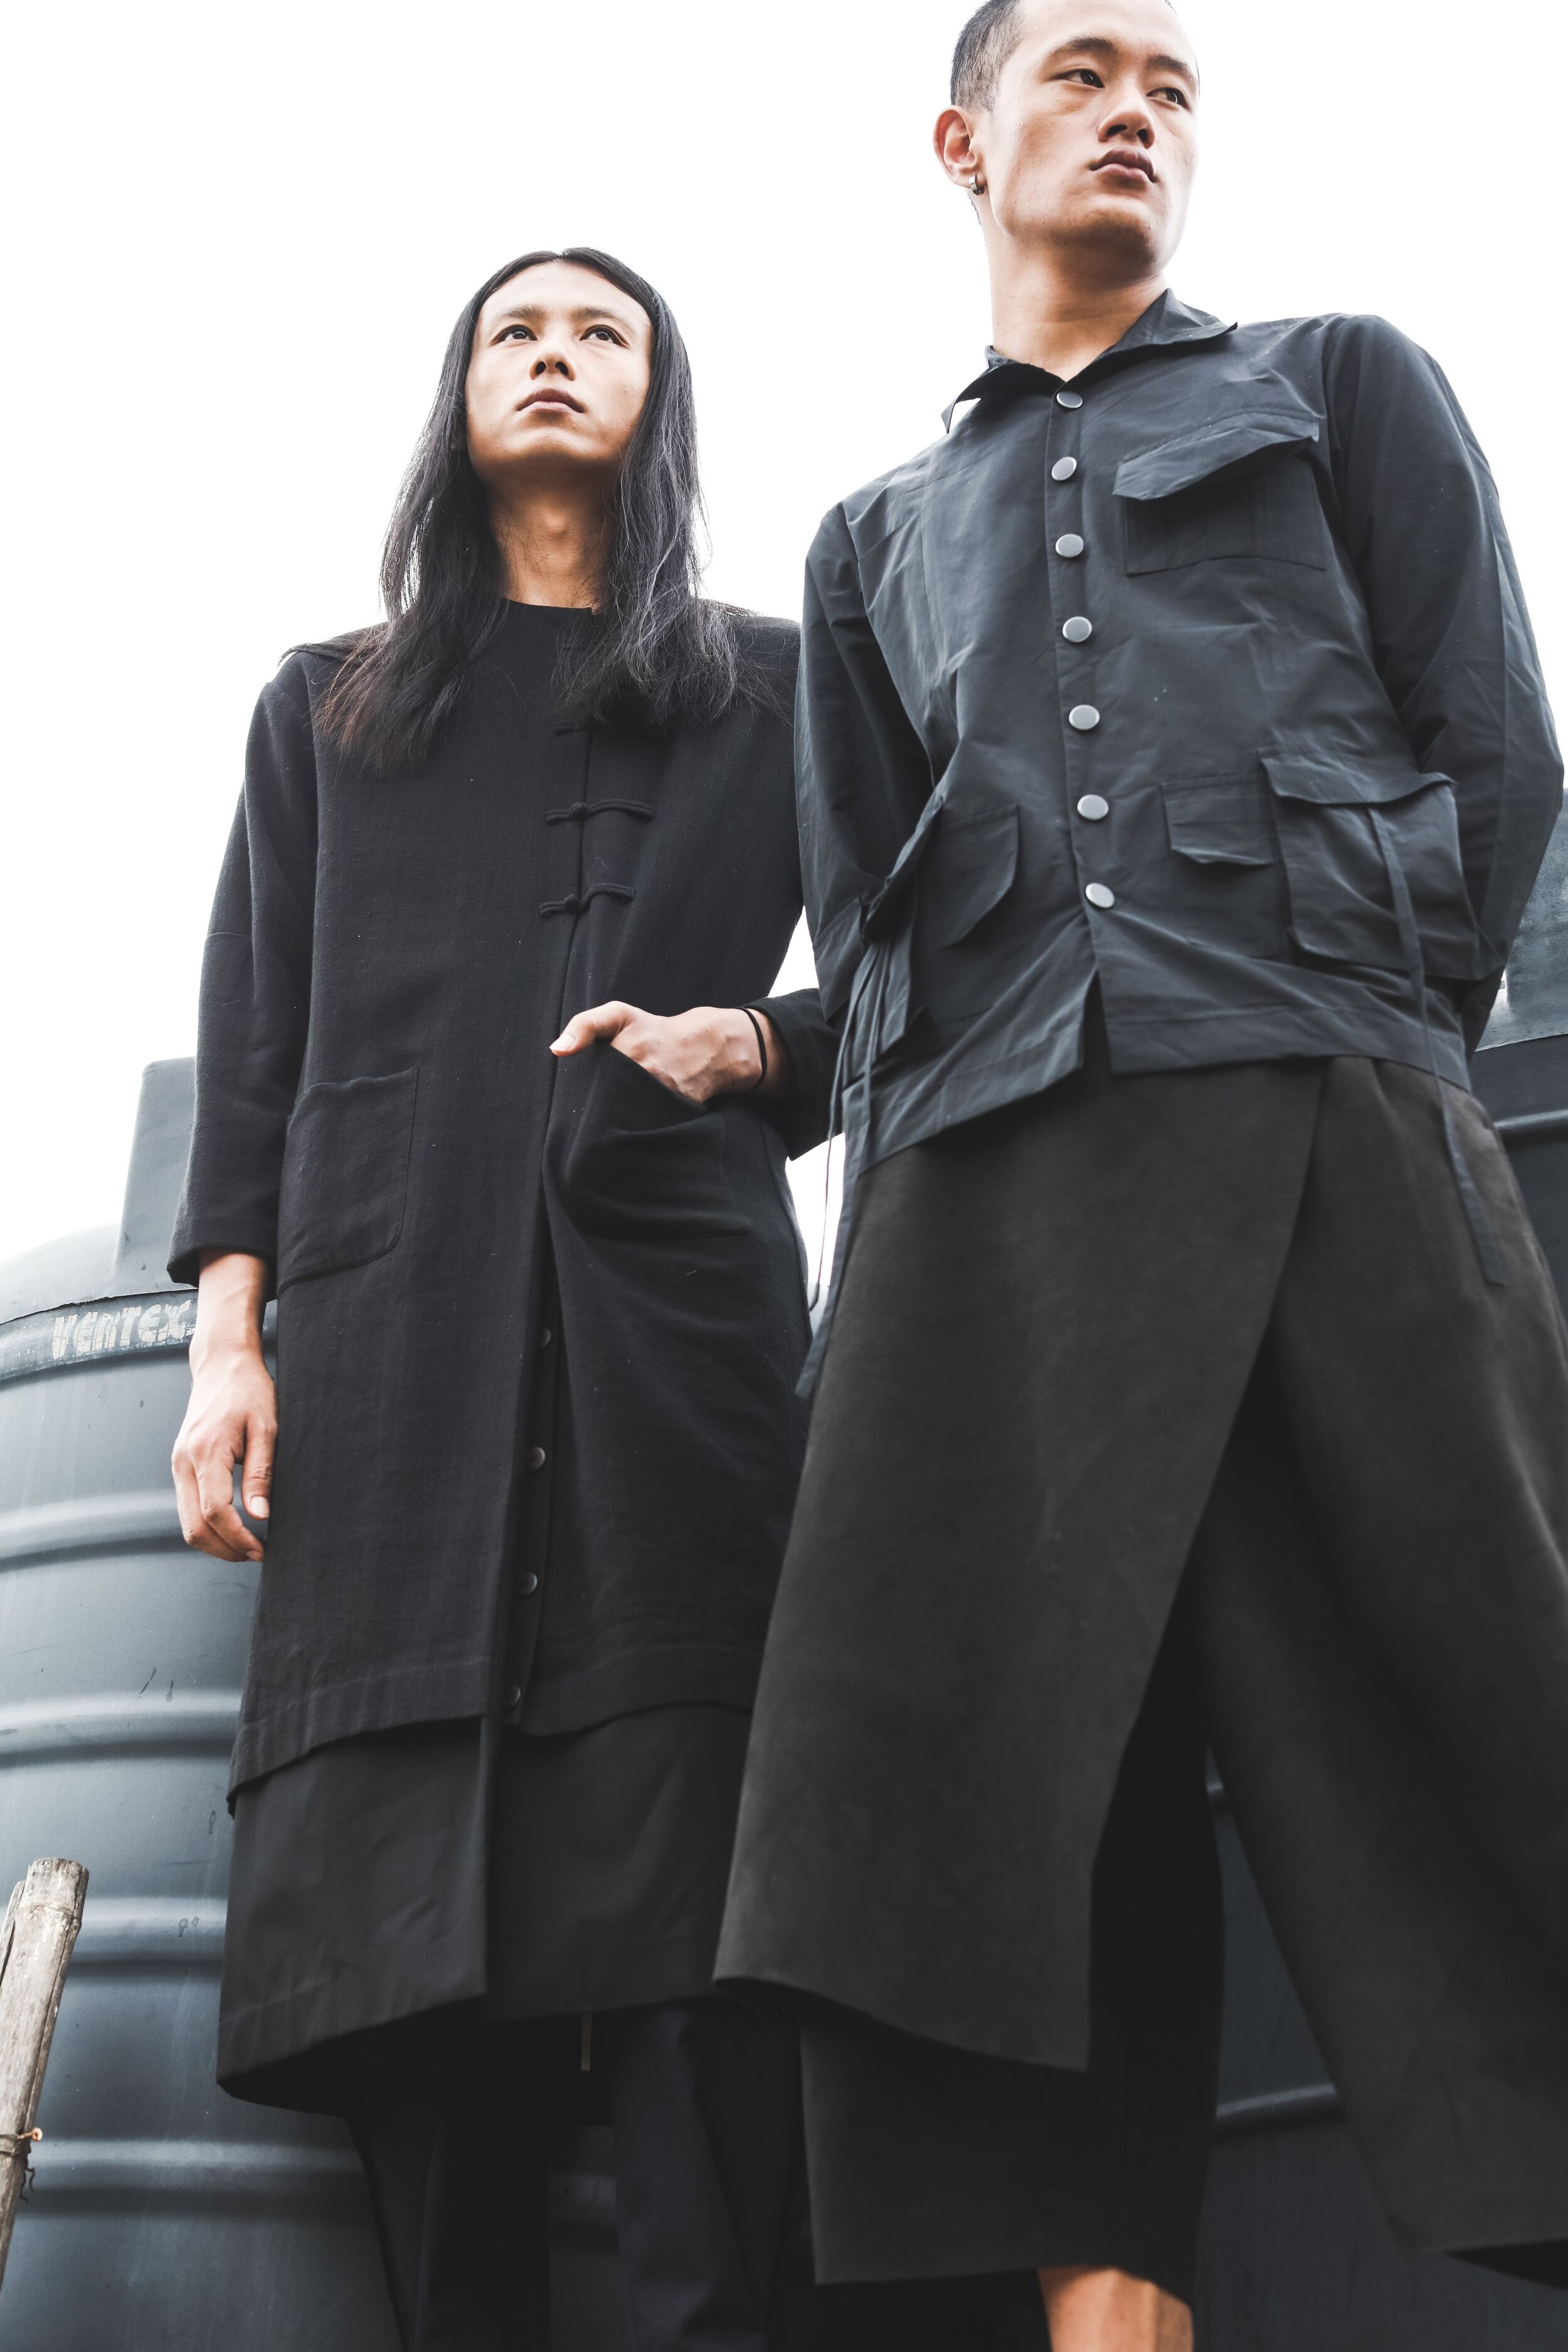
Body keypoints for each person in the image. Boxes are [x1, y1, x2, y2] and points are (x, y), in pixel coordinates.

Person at [715, 4, 1568, 2346]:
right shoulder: (870, 536)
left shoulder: (1340, 380)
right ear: (959, 138)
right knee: (992, 1773)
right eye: (1082, 68)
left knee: (1493, 1669)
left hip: (1323, 1107)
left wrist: (1368, 1032)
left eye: (1171, 85)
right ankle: (1106, 2311)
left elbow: (1492, 750)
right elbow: (869, 930)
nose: (1133, 108)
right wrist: (796, 1077)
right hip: (982, 1197)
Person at [169, 246, 835, 2352]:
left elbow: (944, 965)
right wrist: (226, 1343)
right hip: (392, 1368)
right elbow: (255, 1047)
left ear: (662, 397)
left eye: (600, 330)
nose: (553, 356)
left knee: (696, 1947)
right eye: (512, 332)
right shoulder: (329, 705)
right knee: (409, 1974)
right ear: (456, 401)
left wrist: (759, 1040)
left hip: (679, 1371)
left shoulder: (781, 689)